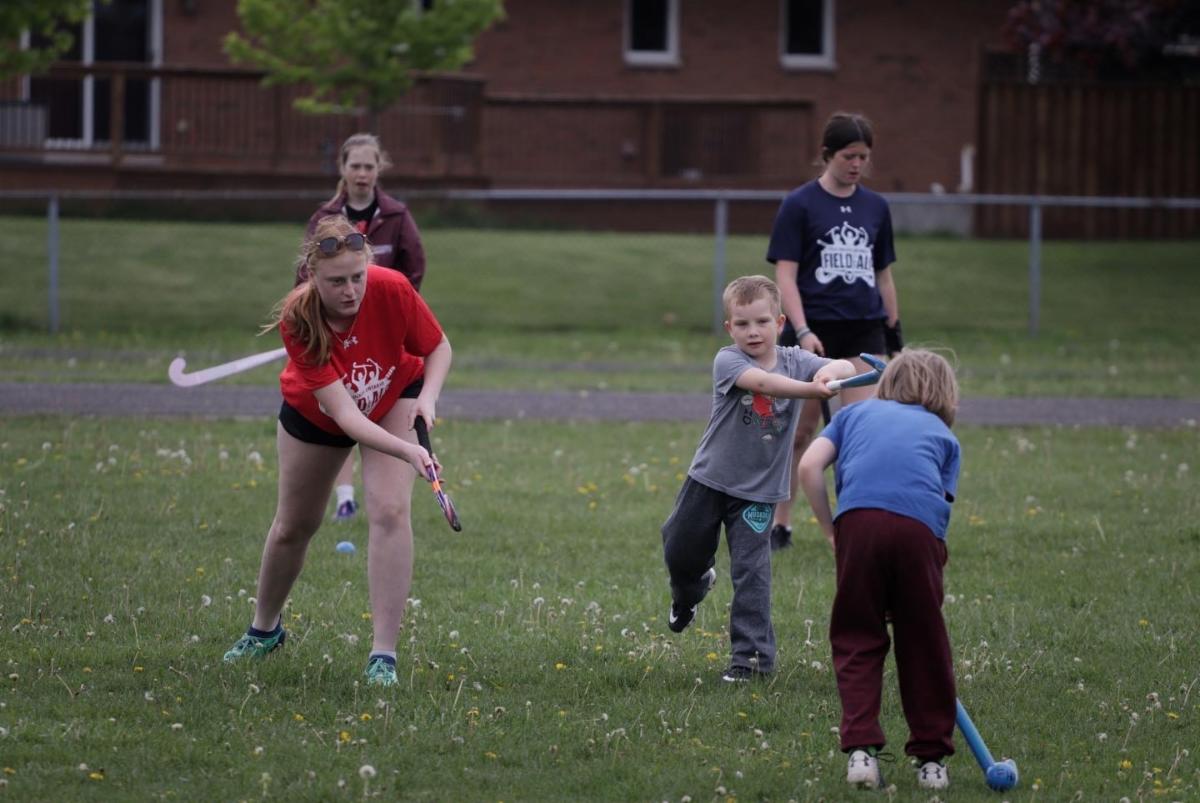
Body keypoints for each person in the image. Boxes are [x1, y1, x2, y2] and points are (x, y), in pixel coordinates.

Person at [224, 214, 452, 688]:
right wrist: (409, 452)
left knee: (390, 510)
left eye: (357, 277)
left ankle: (383, 656)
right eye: (337, 282)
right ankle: (264, 630)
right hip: (320, 413)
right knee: (294, 525)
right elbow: (348, 418)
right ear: (312, 276)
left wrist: (427, 398)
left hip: (395, 390)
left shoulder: (391, 288)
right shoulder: (299, 318)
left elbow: (438, 347)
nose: (350, 291)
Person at [660, 275, 855, 682]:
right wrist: (812, 390)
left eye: (762, 322)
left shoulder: (796, 359)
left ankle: (751, 662)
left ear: (779, 323)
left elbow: (845, 366)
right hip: (709, 480)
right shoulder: (728, 361)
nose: (753, 331)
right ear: (730, 328)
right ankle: (691, 589)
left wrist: (828, 374)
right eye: (743, 324)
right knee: (679, 548)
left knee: (752, 573)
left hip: (759, 492)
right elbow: (765, 384)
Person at [797, 349, 961, 790]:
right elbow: (936, 514)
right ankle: (932, 761)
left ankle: (861, 753)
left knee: (857, 637)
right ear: (945, 394)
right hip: (918, 534)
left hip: (858, 526)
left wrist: (832, 531)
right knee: (923, 642)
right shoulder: (944, 437)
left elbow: (809, 466)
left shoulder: (853, 415)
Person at [765, 111, 903, 551]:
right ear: (827, 154)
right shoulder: (800, 204)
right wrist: (802, 330)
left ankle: (854, 524)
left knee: (857, 434)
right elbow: (785, 276)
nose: (857, 164)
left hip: (863, 332)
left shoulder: (876, 207)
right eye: (849, 156)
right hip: (814, 333)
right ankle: (781, 523)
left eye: (863, 156)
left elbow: (883, 277)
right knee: (799, 433)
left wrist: (894, 337)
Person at [300, 133, 428, 523]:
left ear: (379, 169)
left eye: (368, 166)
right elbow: (306, 278)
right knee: (343, 412)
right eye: (354, 165)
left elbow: (414, 270)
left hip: (383, 338)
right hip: (337, 337)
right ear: (342, 168)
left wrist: (394, 317)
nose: (361, 173)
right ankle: (344, 497)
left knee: (378, 407)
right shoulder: (325, 218)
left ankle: (383, 495)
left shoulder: (396, 216)